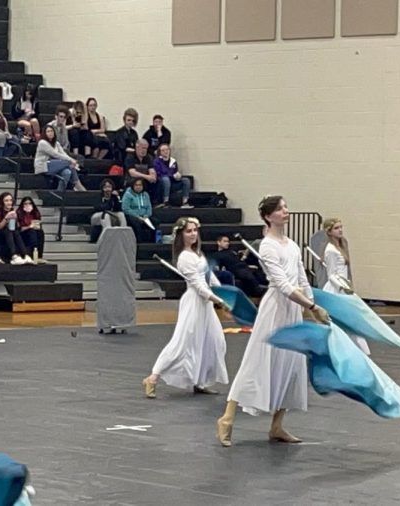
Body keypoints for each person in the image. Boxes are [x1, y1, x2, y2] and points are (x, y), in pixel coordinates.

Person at [217, 195, 330, 448]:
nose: (285, 212)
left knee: (291, 365)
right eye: (280, 209)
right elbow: (281, 283)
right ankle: (227, 418)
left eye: (286, 207)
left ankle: (277, 425)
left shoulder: (292, 245)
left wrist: (311, 307)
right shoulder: (268, 245)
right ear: (268, 216)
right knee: (257, 361)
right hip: (275, 309)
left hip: (293, 308)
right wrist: (311, 306)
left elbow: (301, 277)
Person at [142, 217, 228, 398]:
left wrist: (224, 293)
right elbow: (198, 284)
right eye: (189, 231)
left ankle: (200, 381)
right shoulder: (184, 258)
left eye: (195, 230)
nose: (193, 234)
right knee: (182, 343)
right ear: (181, 235)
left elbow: (209, 277)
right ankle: (153, 377)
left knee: (214, 341)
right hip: (194, 303)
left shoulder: (198, 254)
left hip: (205, 304)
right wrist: (217, 299)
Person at [321, 218, 369, 354]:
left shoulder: (340, 247)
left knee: (351, 319)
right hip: (336, 288)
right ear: (329, 231)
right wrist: (342, 287)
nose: (340, 230)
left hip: (344, 286)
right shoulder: (330, 250)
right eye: (336, 228)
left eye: (341, 227)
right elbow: (331, 274)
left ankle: (354, 347)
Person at [34, 124, 85, 191]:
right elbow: (55, 154)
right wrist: (71, 161)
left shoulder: (56, 143)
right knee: (69, 163)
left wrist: (71, 160)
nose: (50, 133)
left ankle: (59, 192)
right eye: (48, 131)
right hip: (44, 165)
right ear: (44, 133)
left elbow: (63, 154)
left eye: (52, 131)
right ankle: (78, 185)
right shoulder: (42, 142)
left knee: (67, 173)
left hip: (56, 165)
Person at [0, 192, 32, 265]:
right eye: (6, 200)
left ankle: (25, 255)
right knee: (8, 230)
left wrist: (16, 220)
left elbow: (16, 226)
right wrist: (6, 218)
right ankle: (14, 255)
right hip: (1, 232)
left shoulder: (13, 210)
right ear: (2, 201)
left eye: (10, 200)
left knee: (15, 231)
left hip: (12, 232)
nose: (9, 202)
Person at [154, 143, 191, 208]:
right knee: (166, 179)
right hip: (161, 183)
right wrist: (172, 175)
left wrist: (177, 176)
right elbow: (159, 173)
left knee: (186, 180)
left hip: (172, 182)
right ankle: (166, 201)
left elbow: (175, 171)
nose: (166, 151)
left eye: (167, 149)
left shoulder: (173, 161)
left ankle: (185, 202)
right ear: (160, 152)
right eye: (163, 150)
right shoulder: (157, 161)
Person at [89, 178, 126, 242]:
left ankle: (123, 234)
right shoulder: (98, 196)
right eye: (105, 187)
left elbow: (118, 209)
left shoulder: (114, 197)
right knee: (106, 215)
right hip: (97, 216)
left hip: (110, 214)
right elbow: (101, 208)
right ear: (102, 188)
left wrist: (117, 198)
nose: (107, 189)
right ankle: (109, 237)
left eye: (109, 187)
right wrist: (110, 201)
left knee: (121, 214)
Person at [121, 179, 155, 243]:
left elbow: (149, 207)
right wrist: (138, 217)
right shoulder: (128, 194)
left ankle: (153, 242)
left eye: (140, 185)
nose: (138, 187)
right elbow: (125, 208)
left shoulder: (146, 194)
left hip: (144, 216)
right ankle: (140, 242)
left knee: (155, 222)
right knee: (136, 223)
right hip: (132, 216)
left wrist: (146, 216)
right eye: (136, 185)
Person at [17, 197, 45, 262]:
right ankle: (33, 255)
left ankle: (39, 256)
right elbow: (19, 229)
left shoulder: (35, 213)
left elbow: (38, 225)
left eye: (29, 203)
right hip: (23, 234)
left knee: (40, 232)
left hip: (34, 233)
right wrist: (29, 226)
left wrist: (37, 226)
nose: (27, 205)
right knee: (31, 231)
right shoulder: (19, 213)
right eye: (25, 204)